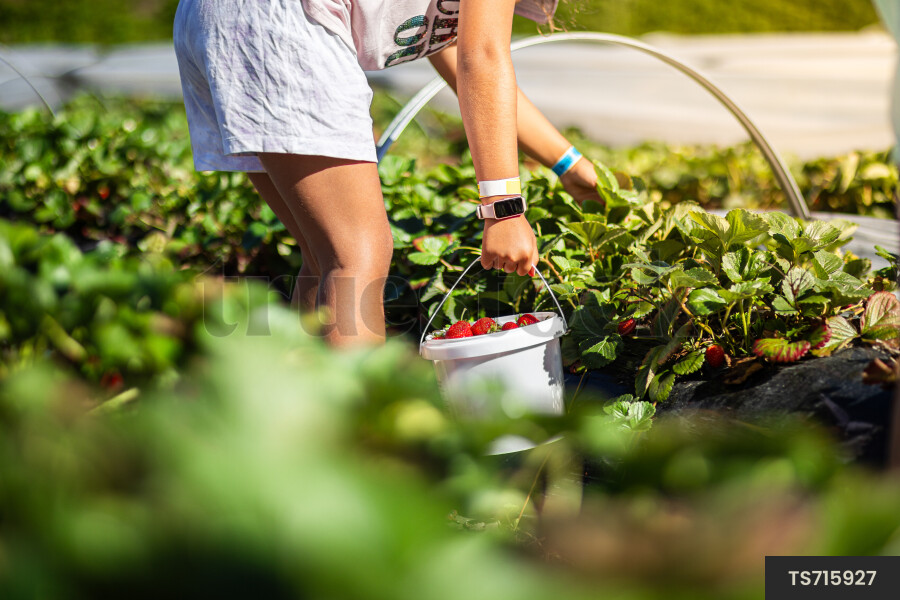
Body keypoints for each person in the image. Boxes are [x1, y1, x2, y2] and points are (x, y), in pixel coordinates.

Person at [173, 0, 601, 347]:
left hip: (218, 20)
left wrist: (569, 165)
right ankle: (360, 445)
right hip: (280, 22)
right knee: (357, 256)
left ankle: (301, 430)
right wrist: (504, 210)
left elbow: (454, 48)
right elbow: (483, 56)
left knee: (325, 258)